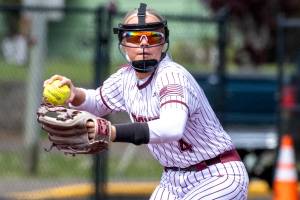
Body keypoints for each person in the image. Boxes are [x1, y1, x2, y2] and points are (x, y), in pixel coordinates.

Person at [44, 3, 249, 199]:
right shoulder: (124, 79)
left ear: (163, 43)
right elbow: (96, 102)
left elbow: (172, 128)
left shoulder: (172, 76)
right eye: (134, 38)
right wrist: (75, 94)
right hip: (172, 179)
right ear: (123, 45)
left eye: (152, 37)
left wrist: (112, 132)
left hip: (217, 173)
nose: (143, 44)